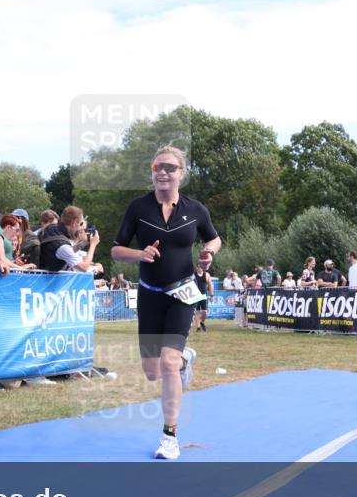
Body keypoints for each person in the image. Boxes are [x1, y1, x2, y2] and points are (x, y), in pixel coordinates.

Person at [111, 146, 221, 460]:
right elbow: (117, 249)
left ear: (181, 174)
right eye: (158, 166)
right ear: (152, 170)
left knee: (167, 363)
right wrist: (139, 254)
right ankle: (186, 357)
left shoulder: (195, 209)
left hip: (183, 291)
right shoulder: (138, 208)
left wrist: (209, 253)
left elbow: (214, 237)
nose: (163, 172)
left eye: (171, 168)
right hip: (149, 293)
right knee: (152, 372)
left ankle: (169, 436)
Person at [40, 205, 104, 274]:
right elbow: (84, 267)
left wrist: (83, 243)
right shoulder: (62, 246)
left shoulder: (52, 228)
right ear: (74, 223)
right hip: (47, 281)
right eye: (80, 223)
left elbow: (67, 251)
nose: (81, 227)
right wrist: (93, 244)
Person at [192, 263, 214, 332]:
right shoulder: (193, 275)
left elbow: (210, 285)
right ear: (196, 267)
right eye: (198, 267)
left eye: (201, 267)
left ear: (203, 267)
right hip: (195, 296)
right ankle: (198, 327)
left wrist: (212, 295)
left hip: (204, 295)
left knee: (205, 312)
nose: (199, 268)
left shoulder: (207, 275)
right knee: (197, 312)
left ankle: (202, 322)